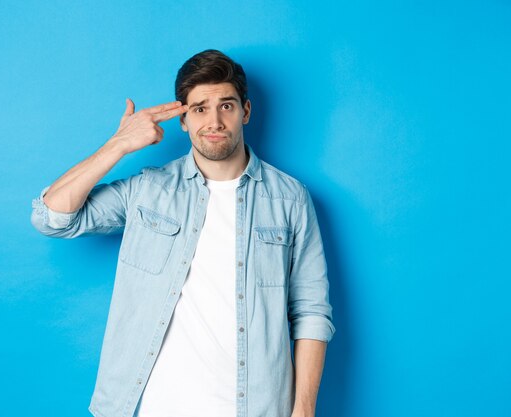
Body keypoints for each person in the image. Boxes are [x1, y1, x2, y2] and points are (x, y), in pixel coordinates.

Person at [31, 49, 335, 417]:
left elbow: (311, 312)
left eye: (226, 105)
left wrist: (303, 411)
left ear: (246, 111)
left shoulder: (290, 199)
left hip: (255, 407)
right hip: (154, 406)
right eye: (200, 108)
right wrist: (119, 144)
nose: (215, 121)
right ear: (183, 120)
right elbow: (52, 217)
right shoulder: (148, 190)